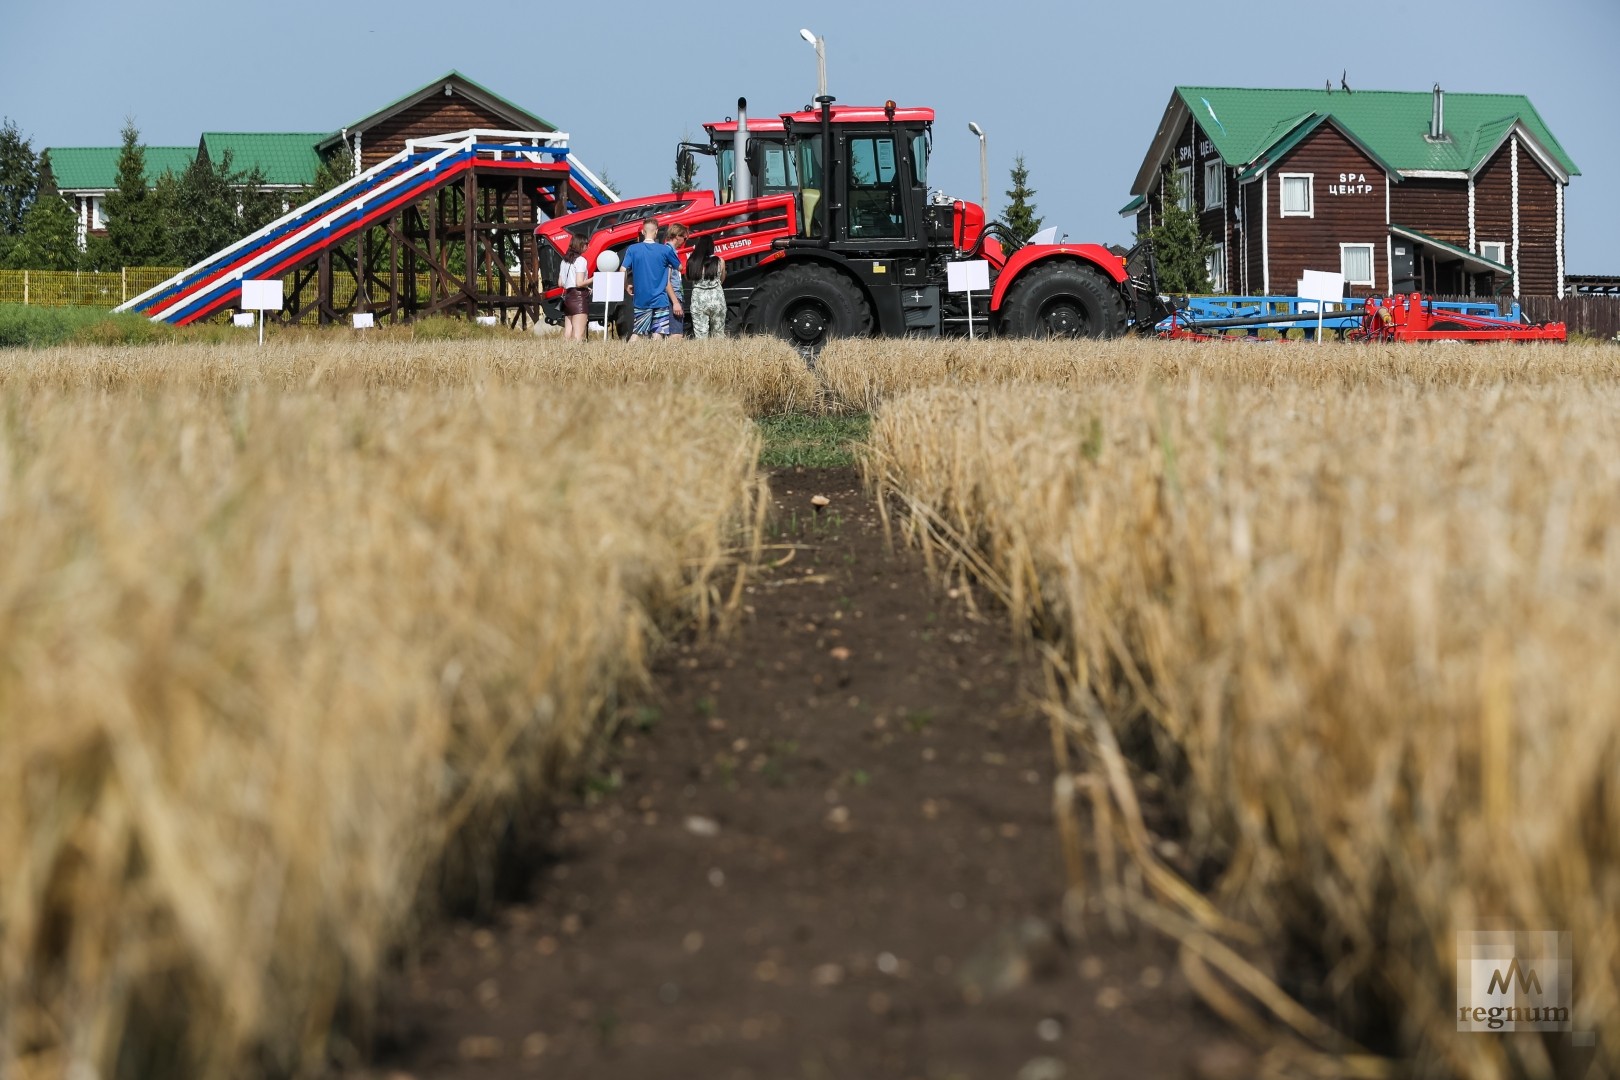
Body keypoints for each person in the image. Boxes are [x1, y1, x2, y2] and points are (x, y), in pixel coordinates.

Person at [621, 215, 682, 341]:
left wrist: (626, 286)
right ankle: (656, 359)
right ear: (656, 232)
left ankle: (627, 357)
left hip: (641, 298)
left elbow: (622, 270)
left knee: (637, 332)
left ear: (643, 232)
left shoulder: (633, 249)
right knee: (658, 332)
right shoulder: (665, 250)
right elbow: (680, 267)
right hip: (660, 299)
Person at [557, 233, 592, 341]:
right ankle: (576, 356)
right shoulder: (581, 260)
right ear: (580, 245)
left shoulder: (564, 261)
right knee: (578, 335)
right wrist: (595, 278)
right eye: (586, 244)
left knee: (568, 332)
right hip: (579, 298)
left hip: (568, 298)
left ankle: (564, 355)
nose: (588, 246)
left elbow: (560, 283)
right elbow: (579, 283)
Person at [689, 254, 728, 339]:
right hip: (717, 298)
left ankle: (703, 351)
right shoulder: (720, 261)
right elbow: (722, 278)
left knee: (700, 334)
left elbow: (688, 277)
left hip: (699, 299)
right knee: (718, 333)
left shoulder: (692, 261)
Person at [663, 222, 690, 339]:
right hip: (672, 296)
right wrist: (675, 302)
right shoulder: (669, 252)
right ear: (677, 236)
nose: (685, 241)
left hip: (669, 296)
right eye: (684, 238)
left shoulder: (666, 250)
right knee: (676, 335)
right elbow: (666, 280)